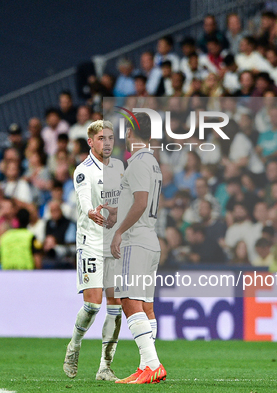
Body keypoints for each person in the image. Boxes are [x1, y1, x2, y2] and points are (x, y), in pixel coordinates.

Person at [63, 120, 125, 381]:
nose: (107, 142)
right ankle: (74, 345)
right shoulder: (83, 170)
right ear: (90, 142)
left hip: (114, 244)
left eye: (110, 137)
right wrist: (90, 211)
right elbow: (84, 197)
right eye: (101, 138)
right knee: (91, 304)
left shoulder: (119, 167)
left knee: (115, 306)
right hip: (90, 243)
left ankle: (105, 367)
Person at [110, 113, 166, 384]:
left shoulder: (139, 163)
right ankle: (146, 367)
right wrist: (112, 211)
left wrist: (119, 230)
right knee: (145, 304)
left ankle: (153, 364)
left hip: (136, 240)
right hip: (149, 239)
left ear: (131, 133)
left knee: (129, 301)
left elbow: (141, 202)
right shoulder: (152, 162)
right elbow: (135, 201)